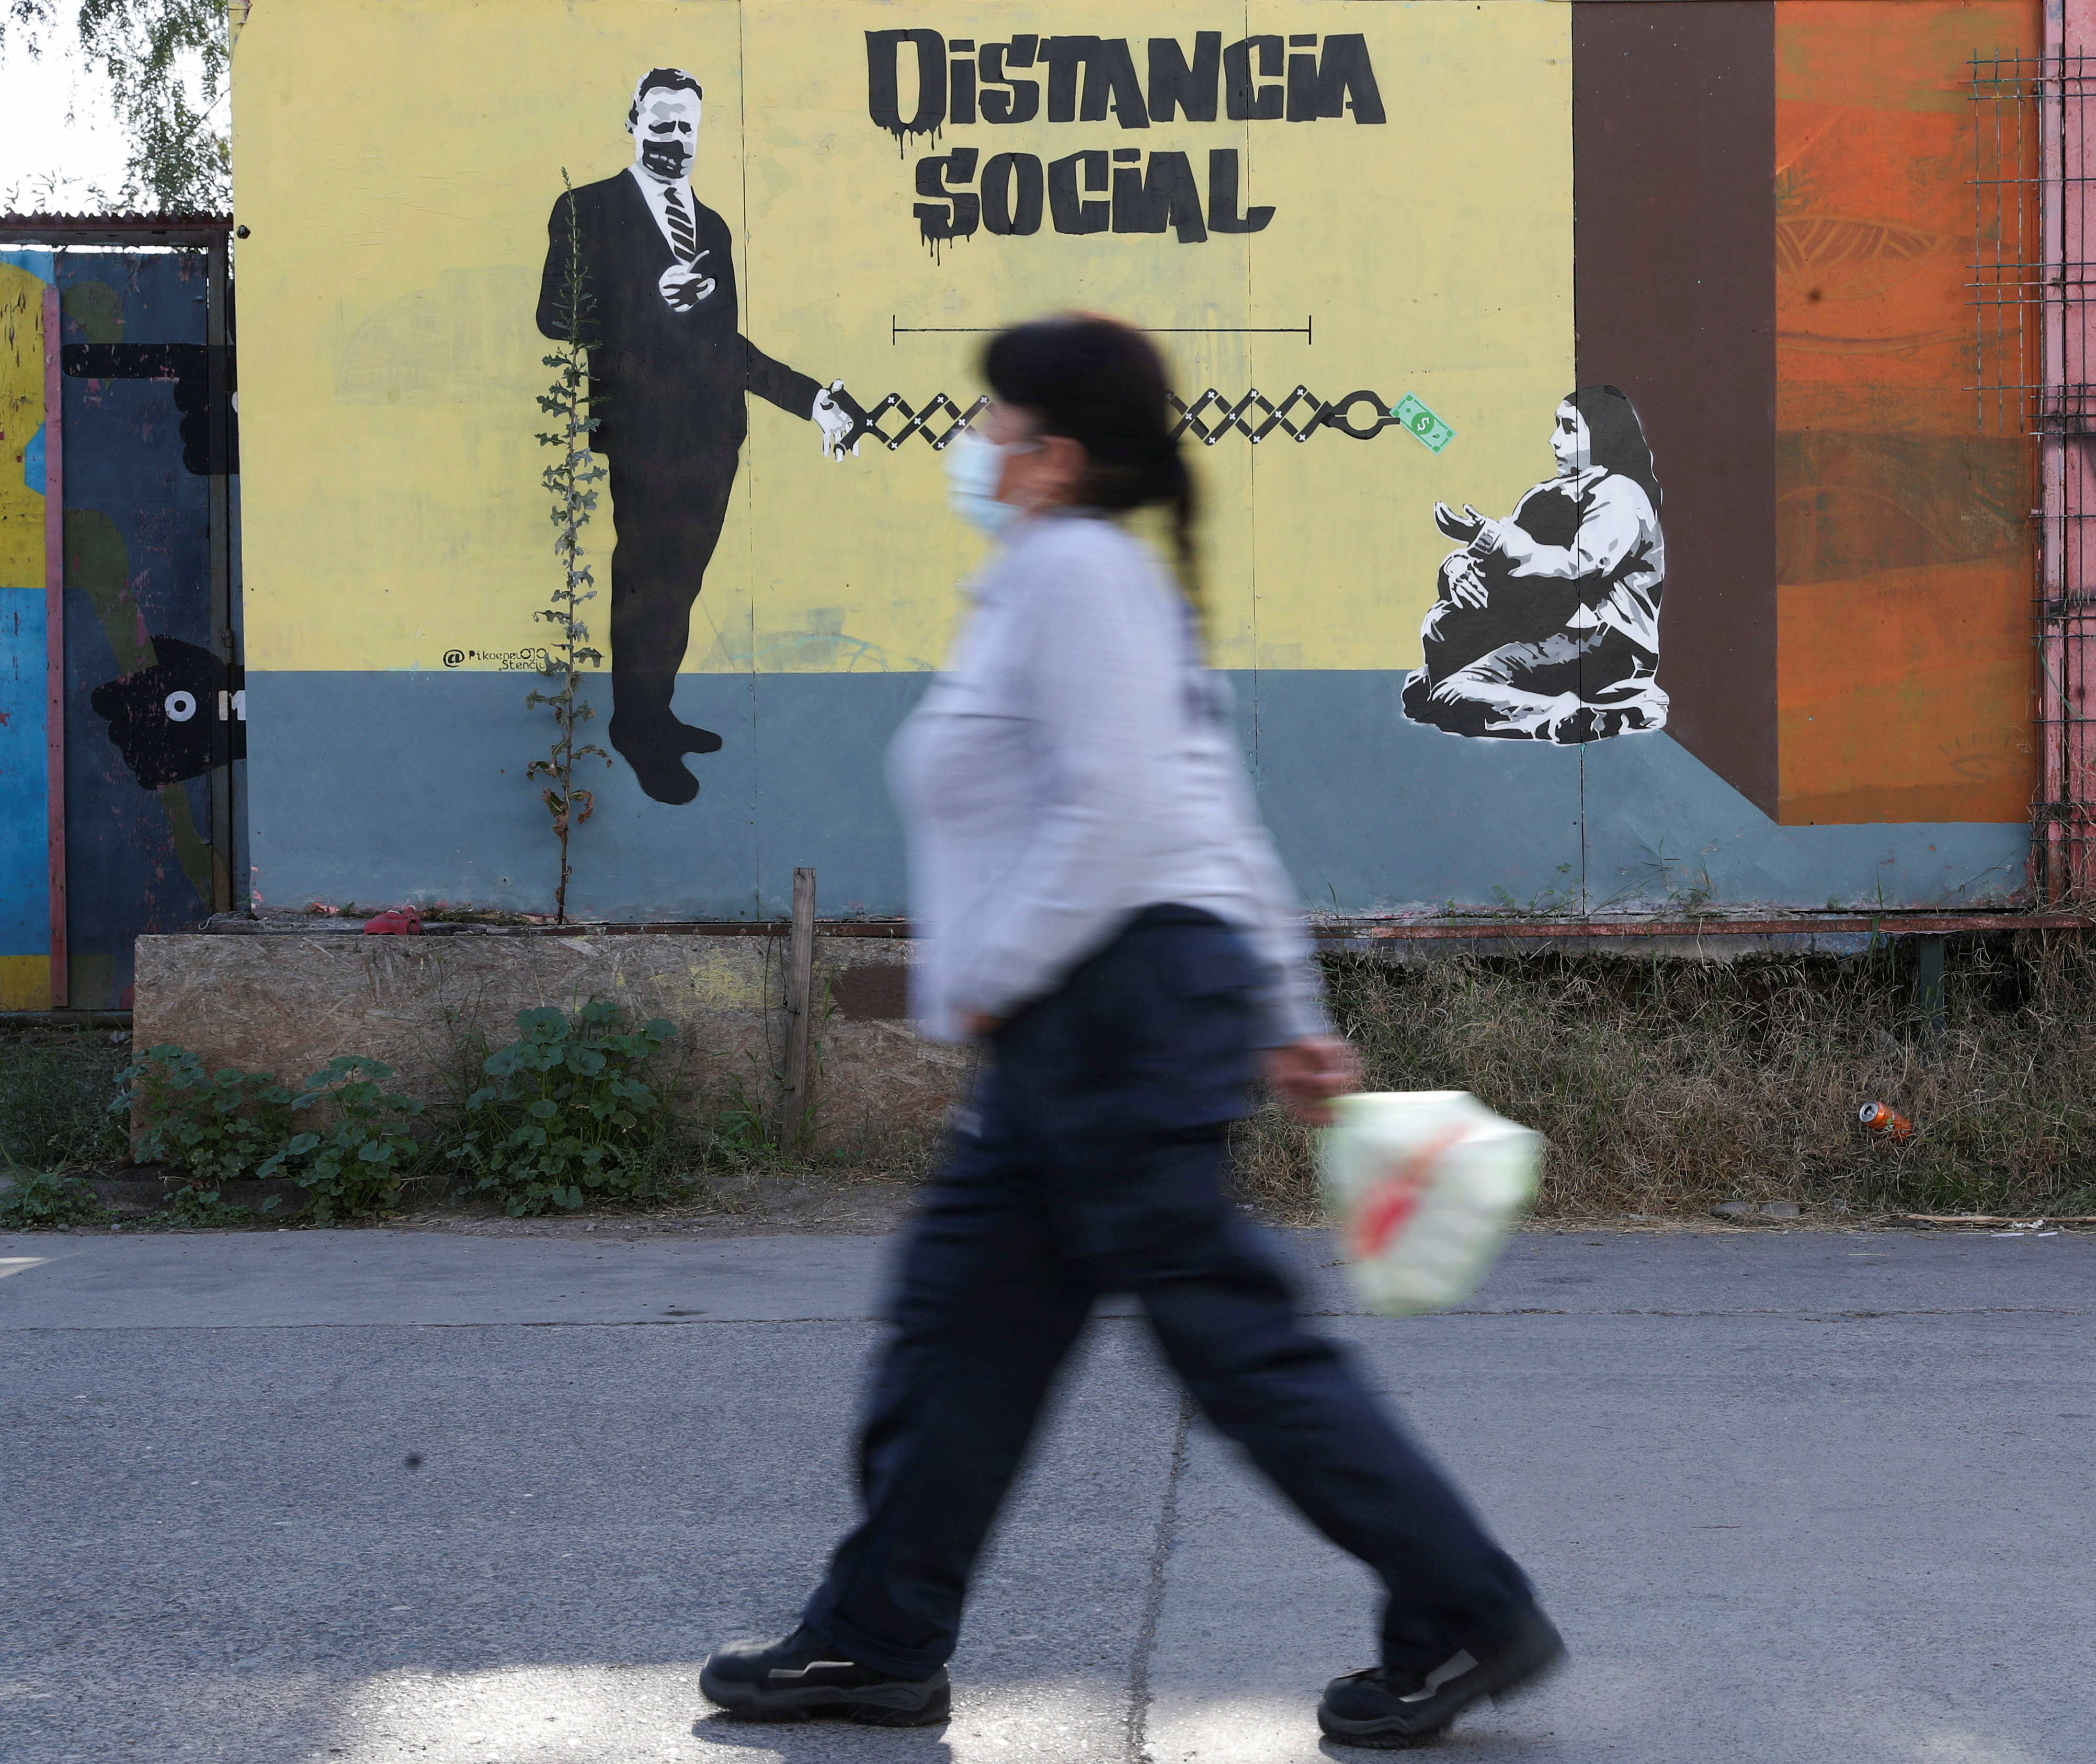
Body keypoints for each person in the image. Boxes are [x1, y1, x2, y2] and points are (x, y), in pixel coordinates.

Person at [698, 315, 1563, 1747]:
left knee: (1226, 1338)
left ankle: (1464, 1603)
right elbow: (1209, 808)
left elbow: (1127, 813)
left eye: (996, 417)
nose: (974, 440)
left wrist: (999, 974)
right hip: (1117, 1006)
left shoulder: (1078, 578)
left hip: (1106, 1009)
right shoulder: (1068, 580)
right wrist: (1284, 1009)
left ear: (1054, 456)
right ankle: (875, 1637)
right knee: (963, 1326)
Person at [535, 67, 861, 806]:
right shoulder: (588, 208)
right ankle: (637, 730)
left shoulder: (710, 225)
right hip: (642, 434)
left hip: (712, 438)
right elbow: (555, 317)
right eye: (662, 122)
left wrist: (812, 401)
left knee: (678, 587)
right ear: (633, 121)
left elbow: (723, 347)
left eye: (688, 126)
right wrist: (648, 300)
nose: (675, 138)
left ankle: (653, 714)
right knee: (646, 585)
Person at [1400, 385, 1668, 744]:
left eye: (1569, 429)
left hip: (1605, 643)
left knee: (1454, 694)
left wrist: (1488, 537)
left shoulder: (1620, 492)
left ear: (1605, 435)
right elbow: (1504, 552)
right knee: (1421, 691)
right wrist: (1457, 569)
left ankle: (1574, 717)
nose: (1554, 441)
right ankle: (1594, 710)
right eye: (1557, 427)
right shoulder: (1548, 494)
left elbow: (1579, 566)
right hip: (1558, 636)